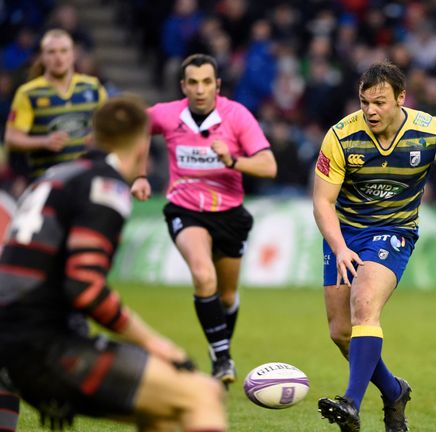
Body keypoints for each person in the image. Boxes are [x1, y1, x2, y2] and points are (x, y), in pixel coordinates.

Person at [0, 96, 227, 431]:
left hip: (11, 341)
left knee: (164, 410)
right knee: (202, 394)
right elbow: (85, 285)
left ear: (92, 138)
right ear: (141, 147)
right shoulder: (105, 186)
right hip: (41, 346)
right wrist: (153, 342)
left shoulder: (55, 175)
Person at [313, 61, 436, 432]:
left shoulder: (431, 132)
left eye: (380, 102)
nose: (370, 110)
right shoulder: (339, 137)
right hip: (346, 233)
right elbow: (323, 202)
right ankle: (394, 391)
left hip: (394, 229)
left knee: (365, 304)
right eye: (364, 102)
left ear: (402, 98)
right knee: (341, 332)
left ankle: (351, 403)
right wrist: (339, 247)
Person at [131, 53, 277, 386]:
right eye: (193, 83)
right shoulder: (168, 114)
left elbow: (269, 167)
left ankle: (218, 352)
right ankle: (223, 359)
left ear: (217, 85)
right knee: (202, 273)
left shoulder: (237, 115)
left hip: (229, 213)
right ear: (183, 86)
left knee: (226, 296)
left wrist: (233, 160)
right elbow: (138, 125)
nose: (200, 89)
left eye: (206, 82)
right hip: (185, 208)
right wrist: (138, 174)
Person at [4, 29, 108, 180]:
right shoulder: (29, 93)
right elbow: (12, 138)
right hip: (47, 179)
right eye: (51, 52)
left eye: (64, 51)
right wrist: (44, 141)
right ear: (42, 57)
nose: (58, 57)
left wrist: (97, 138)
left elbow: (110, 127)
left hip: (87, 179)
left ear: (73, 55)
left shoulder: (92, 87)